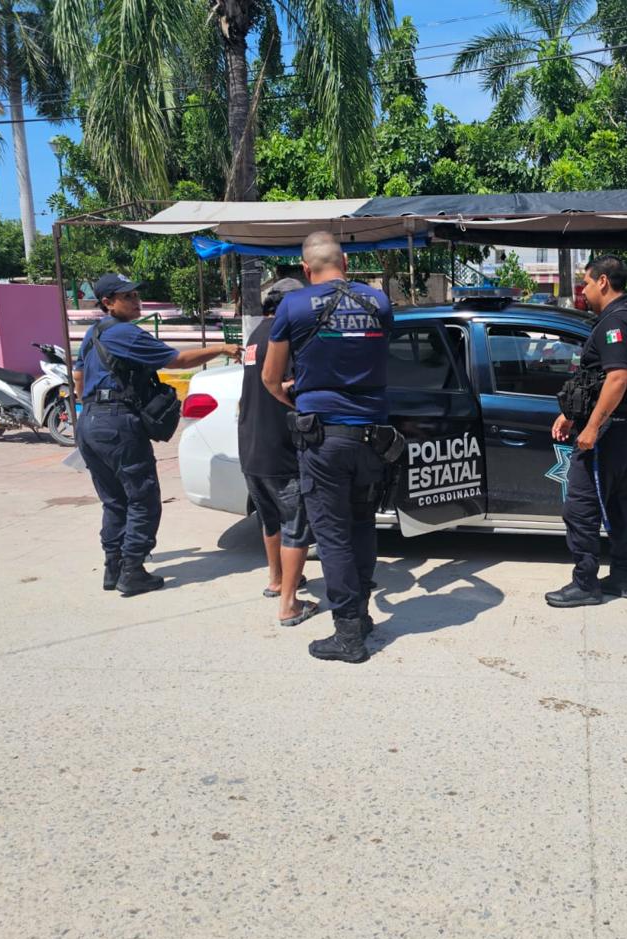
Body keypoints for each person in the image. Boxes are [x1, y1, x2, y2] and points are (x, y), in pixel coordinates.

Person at [260, 232, 394, 664]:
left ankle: (348, 635)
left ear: (305, 269)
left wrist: (295, 398)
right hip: (373, 438)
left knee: (333, 536)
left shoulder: (294, 306)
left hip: (323, 440)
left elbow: (269, 377)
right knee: (362, 527)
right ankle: (363, 615)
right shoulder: (380, 302)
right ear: (346, 264)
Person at [74, 273, 241, 596]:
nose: (136, 302)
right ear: (108, 303)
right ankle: (132, 570)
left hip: (90, 420)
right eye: (128, 297)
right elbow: (176, 360)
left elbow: (79, 376)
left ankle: (114, 566)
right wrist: (221, 347)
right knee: (143, 499)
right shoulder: (124, 334)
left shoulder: (94, 333)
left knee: (114, 501)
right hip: (117, 422)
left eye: (137, 295)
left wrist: (93, 413)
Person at [546, 255, 627, 608]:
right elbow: (595, 380)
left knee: (581, 508)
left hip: (606, 434)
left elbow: (617, 379)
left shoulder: (615, 324)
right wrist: (571, 415)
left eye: (586, 282)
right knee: (618, 505)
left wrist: (591, 426)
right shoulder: (619, 319)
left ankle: (586, 583)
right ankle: (623, 576)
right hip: (619, 430)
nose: (583, 290)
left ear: (603, 281)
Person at [238, 287, 320, 627]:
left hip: (251, 446)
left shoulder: (257, 333)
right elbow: (289, 383)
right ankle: (289, 605)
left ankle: (276, 580)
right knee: (295, 526)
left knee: (269, 518)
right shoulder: (286, 334)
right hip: (280, 446)